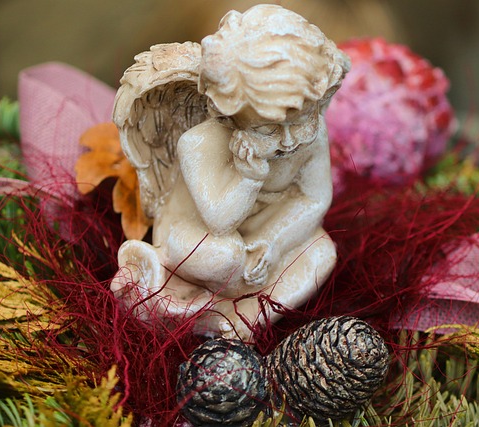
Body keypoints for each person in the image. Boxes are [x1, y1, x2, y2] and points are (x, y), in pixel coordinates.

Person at [111, 4, 350, 338]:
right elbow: (221, 221)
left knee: (322, 251)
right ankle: (170, 280)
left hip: (261, 242)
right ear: (227, 116)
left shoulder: (310, 136)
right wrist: (248, 179)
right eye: (268, 130)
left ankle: (244, 318)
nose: (289, 140)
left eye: (303, 121)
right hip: (198, 237)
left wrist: (273, 242)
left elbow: (314, 198)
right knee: (224, 255)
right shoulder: (199, 144)